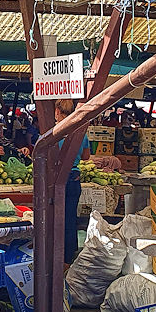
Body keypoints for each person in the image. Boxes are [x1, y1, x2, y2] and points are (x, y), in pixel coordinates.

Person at [55, 98, 92, 262]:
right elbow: (86, 156)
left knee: (55, 218)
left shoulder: (53, 133)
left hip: (57, 180)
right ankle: (69, 256)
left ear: (57, 112)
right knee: (70, 218)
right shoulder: (80, 133)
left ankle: (57, 256)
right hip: (74, 179)